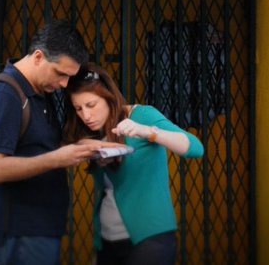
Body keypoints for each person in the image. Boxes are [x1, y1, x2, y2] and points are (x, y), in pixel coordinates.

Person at [0, 20, 123, 265]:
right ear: (38, 57)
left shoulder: (40, 92)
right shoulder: (4, 96)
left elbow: (36, 147)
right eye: (61, 73)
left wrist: (82, 148)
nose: (65, 84)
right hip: (18, 233)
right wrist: (57, 158)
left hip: (38, 230)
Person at [64, 63, 204, 265]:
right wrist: (88, 147)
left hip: (149, 240)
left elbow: (194, 147)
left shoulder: (141, 115)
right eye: (78, 108)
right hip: (106, 241)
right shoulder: (92, 130)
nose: (85, 115)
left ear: (109, 97)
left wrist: (147, 132)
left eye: (91, 105)